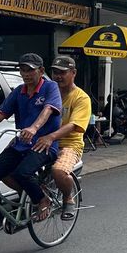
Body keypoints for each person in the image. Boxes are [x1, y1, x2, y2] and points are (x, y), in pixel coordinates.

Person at [0, 53, 62, 234]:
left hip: (44, 144)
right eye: (23, 70)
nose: (26, 74)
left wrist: (34, 128)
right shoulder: (19, 91)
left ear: (41, 71)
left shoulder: (50, 87)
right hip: (21, 144)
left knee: (22, 173)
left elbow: (48, 109)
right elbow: (2, 113)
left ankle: (42, 199)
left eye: (30, 70)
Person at [31, 55, 91, 220]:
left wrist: (51, 137)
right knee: (12, 169)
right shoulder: (48, 93)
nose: (58, 76)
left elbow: (74, 125)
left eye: (62, 72)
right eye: (55, 72)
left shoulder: (81, 98)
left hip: (68, 145)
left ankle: (68, 198)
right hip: (43, 142)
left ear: (73, 73)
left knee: (58, 171)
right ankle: (38, 198)